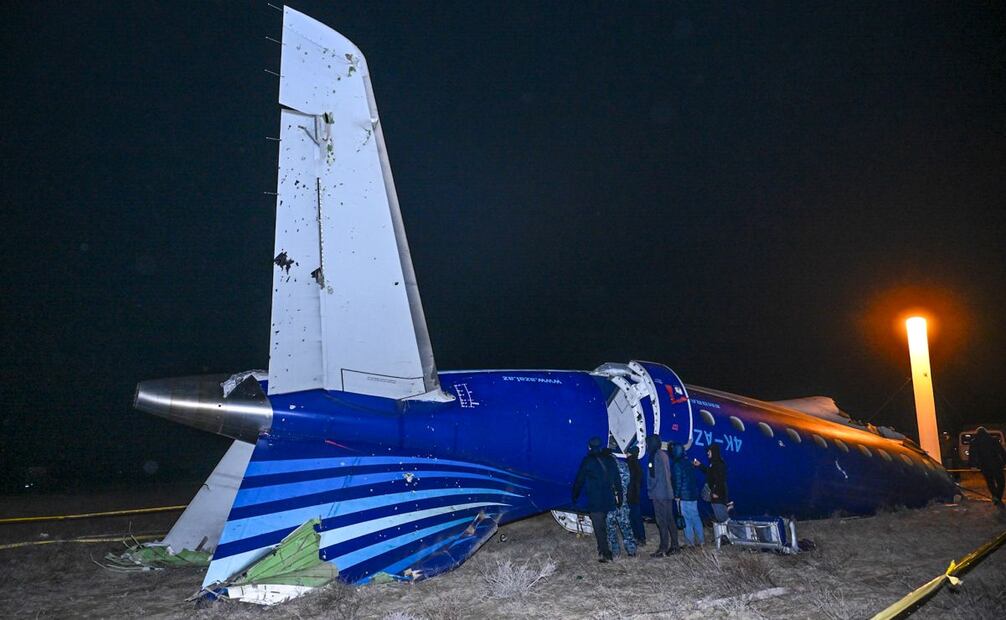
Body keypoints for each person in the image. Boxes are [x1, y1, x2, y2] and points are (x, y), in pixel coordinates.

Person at [572, 436, 623, 562]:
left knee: (599, 528)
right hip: (609, 499)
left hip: (596, 500)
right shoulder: (610, 460)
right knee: (608, 526)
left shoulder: (588, 461)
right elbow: (617, 480)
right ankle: (610, 549)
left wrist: (575, 495)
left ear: (589, 446)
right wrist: (620, 496)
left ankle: (606, 554)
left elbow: (580, 480)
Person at [645, 434, 680, 556]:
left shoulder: (653, 456)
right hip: (667, 493)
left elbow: (652, 476)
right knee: (670, 520)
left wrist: (650, 489)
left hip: (658, 494)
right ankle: (675, 546)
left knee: (661, 521)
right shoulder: (664, 455)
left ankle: (663, 548)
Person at [670, 442, 704, 545]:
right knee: (696, 518)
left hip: (684, 497)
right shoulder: (688, 463)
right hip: (693, 495)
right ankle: (701, 541)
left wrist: (676, 495)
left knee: (686, 520)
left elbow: (678, 482)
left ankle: (690, 542)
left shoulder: (677, 465)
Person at [606, 454, 638, 558]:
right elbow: (627, 482)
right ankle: (631, 550)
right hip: (622, 502)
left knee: (611, 529)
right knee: (626, 527)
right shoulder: (624, 466)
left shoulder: (606, 468)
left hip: (610, 503)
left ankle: (615, 552)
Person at [969, 427, 1006, 507]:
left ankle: (994, 495)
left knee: (990, 482)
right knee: (1001, 481)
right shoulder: (994, 440)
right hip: (996, 464)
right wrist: (1004, 461)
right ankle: (998, 496)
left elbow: (972, 455)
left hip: (984, 465)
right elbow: (1001, 452)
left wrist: (973, 465)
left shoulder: (974, 442)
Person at [694, 444, 730, 523]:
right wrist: (700, 465)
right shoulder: (713, 464)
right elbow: (709, 472)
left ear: (714, 452)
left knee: (723, 518)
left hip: (718, 496)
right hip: (715, 496)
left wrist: (716, 492)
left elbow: (720, 479)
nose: (707, 453)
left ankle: (737, 533)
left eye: (709, 451)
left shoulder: (719, 464)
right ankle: (724, 533)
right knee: (719, 516)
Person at [625, 445, 646, 546]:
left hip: (629, 494)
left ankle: (637, 537)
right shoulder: (638, 464)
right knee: (637, 517)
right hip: (636, 494)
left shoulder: (629, 463)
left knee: (632, 517)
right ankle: (641, 537)